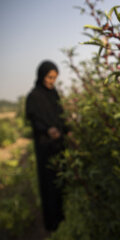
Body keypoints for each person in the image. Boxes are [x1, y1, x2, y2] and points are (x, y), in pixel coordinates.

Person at [26, 60, 68, 231]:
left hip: (59, 146)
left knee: (61, 182)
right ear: (42, 75)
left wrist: (68, 130)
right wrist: (47, 130)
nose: (52, 81)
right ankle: (52, 224)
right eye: (49, 77)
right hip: (45, 148)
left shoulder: (54, 94)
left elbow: (61, 116)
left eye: (54, 78)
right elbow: (34, 120)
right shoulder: (34, 96)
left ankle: (62, 219)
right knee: (48, 184)